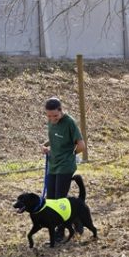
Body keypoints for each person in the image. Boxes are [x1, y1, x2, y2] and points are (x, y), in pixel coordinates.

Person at [42, 97, 86, 241]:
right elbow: (55, 138)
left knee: (59, 199)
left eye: (55, 115)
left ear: (61, 110)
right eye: (49, 116)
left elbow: (81, 145)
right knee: (50, 198)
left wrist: (70, 155)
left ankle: (60, 231)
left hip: (65, 166)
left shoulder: (69, 123)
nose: (52, 118)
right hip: (53, 164)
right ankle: (77, 218)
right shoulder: (51, 121)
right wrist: (46, 146)